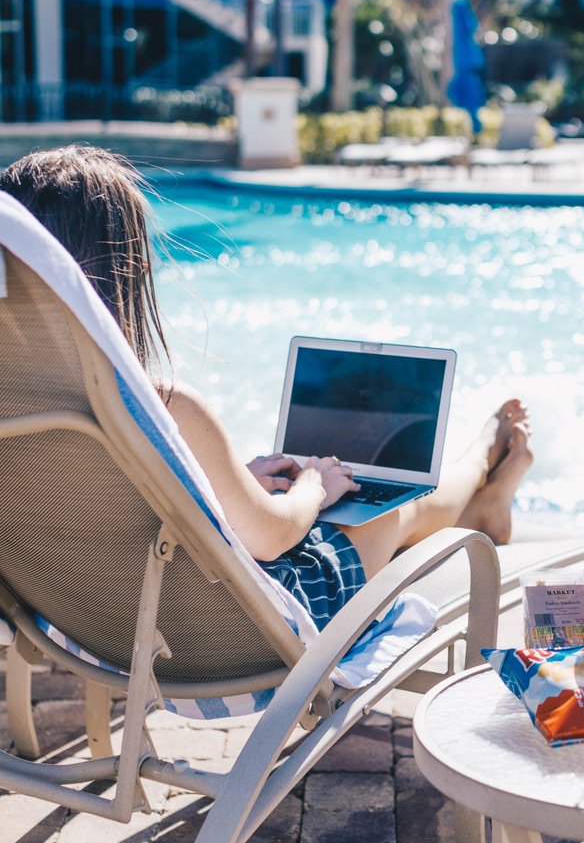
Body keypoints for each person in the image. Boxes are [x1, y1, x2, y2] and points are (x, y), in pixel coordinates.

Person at [1, 146, 533, 627]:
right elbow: (273, 536)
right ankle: (482, 458)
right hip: (224, 636)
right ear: (131, 269)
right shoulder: (164, 408)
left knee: (330, 503)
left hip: (91, 625)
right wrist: (314, 487)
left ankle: (480, 503)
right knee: (392, 509)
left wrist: (218, 490)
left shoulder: (23, 414)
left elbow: (108, 516)